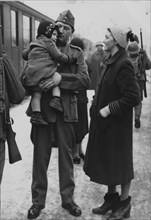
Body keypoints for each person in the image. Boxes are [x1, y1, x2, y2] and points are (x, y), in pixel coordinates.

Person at [26, 10, 90, 219]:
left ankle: (68, 199)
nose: (61, 30)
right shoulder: (40, 46)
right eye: (58, 26)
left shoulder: (76, 53)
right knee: (40, 157)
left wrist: (59, 79)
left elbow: (84, 80)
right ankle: (37, 202)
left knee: (66, 157)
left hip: (66, 111)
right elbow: (27, 73)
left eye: (66, 28)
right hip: (43, 110)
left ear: (72, 31)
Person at [83, 25, 141, 220]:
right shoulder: (110, 60)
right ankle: (112, 199)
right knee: (110, 162)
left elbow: (133, 97)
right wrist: (95, 105)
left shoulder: (123, 63)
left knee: (121, 164)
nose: (104, 39)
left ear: (115, 42)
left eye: (107, 36)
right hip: (107, 125)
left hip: (118, 126)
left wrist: (108, 109)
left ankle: (124, 204)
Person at [22, 19, 76, 124]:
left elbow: (24, 55)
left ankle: (36, 115)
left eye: (66, 28)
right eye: (54, 34)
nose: (56, 36)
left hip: (32, 75)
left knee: (36, 94)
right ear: (48, 33)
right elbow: (58, 56)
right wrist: (69, 59)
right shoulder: (49, 42)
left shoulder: (35, 43)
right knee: (54, 76)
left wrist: (32, 51)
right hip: (44, 73)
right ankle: (56, 99)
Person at [70, 37, 89, 164]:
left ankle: (78, 151)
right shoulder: (81, 62)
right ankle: (77, 152)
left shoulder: (74, 61)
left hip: (78, 97)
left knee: (79, 126)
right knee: (79, 126)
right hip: (80, 97)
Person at [127, 40, 151, 128]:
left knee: (128, 98)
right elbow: (148, 66)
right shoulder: (142, 55)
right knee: (138, 100)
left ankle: (128, 120)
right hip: (140, 80)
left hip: (129, 80)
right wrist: (145, 56)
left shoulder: (127, 56)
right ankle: (137, 117)